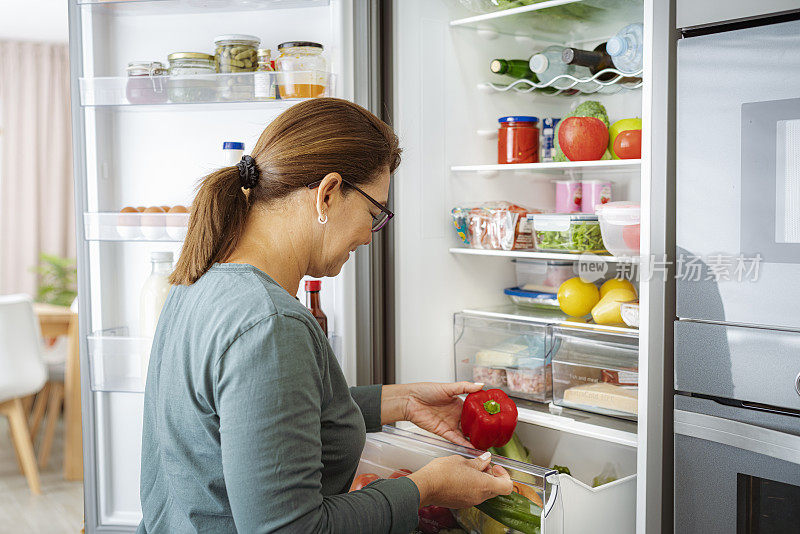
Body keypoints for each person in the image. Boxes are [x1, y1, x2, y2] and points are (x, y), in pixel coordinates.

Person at [137, 98, 512, 533]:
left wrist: (401, 401)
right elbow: (290, 529)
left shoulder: (196, 281)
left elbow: (252, 423)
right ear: (328, 193)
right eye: (374, 214)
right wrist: (425, 488)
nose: (369, 239)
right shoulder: (270, 323)